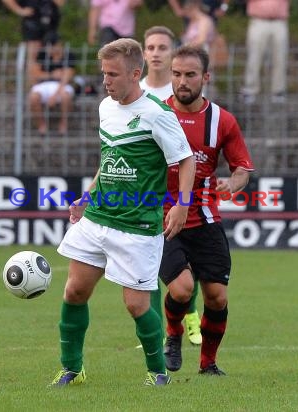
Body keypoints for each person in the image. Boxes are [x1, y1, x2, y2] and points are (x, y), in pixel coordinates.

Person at [50, 38, 196, 387]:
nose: (106, 81)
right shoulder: (105, 108)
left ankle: (158, 373)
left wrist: (182, 204)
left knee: (136, 305)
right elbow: (108, 159)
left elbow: (186, 159)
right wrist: (87, 197)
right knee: (74, 292)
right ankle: (72, 368)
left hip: (137, 225)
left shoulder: (158, 114)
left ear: (135, 73)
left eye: (113, 74)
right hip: (99, 216)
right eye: (103, 74)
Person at [162, 44, 255, 375]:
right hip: (165, 218)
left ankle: (208, 364)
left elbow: (242, 167)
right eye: (176, 74)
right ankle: (173, 335)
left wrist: (233, 182)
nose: (182, 81)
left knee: (216, 297)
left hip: (206, 218)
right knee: (182, 288)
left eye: (189, 75)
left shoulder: (222, 120)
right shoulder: (156, 115)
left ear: (205, 77)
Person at [139, 25, 203, 346]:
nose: (156, 53)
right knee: (144, 261)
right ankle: (154, 327)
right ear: (143, 52)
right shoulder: (133, 90)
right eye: (150, 48)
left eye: (162, 47)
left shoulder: (183, 88)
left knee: (183, 258)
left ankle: (189, 315)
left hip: (178, 188)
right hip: (145, 187)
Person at [2, 0, 63, 86]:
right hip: (33, 21)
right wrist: (19, 10)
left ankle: (57, 85)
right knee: (33, 56)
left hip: (50, 19)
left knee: (57, 52)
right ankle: (34, 88)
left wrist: (56, 6)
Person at [241, 0, 289, 104]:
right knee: (254, 57)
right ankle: (250, 89)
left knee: (280, 58)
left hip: (279, 21)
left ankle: (278, 91)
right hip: (258, 20)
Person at [28, 33, 76, 136]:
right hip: (44, 85)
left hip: (62, 86)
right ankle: (41, 125)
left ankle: (64, 124)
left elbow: (67, 77)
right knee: (33, 97)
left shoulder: (68, 55)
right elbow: (35, 73)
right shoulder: (42, 55)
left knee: (65, 96)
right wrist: (51, 74)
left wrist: (55, 95)